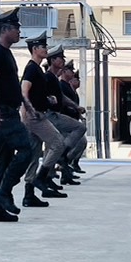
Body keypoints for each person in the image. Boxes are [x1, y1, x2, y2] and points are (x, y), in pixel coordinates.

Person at [0, 7, 33, 221]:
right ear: (4, 29)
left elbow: (12, 84)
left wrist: (26, 104)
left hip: (10, 109)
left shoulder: (7, 53)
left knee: (2, 159)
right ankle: (3, 192)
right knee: (26, 150)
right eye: (15, 28)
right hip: (3, 112)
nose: (19, 31)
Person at [19, 34, 65, 207]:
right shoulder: (32, 69)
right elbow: (24, 91)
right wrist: (30, 110)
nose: (46, 49)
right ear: (35, 49)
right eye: (43, 47)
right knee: (58, 142)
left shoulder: (37, 69)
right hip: (35, 116)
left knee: (34, 155)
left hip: (35, 113)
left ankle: (29, 194)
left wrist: (47, 99)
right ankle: (41, 177)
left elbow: (34, 94)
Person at [44, 48, 86, 184]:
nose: (72, 73)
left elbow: (62, 98)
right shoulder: (51, 79)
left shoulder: (58, 82)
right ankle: (48, 173)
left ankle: (61, 171)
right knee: (52, 147)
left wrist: (77, 109)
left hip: (59, 118)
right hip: (53, 117)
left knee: (56, 147)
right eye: (60, 59)